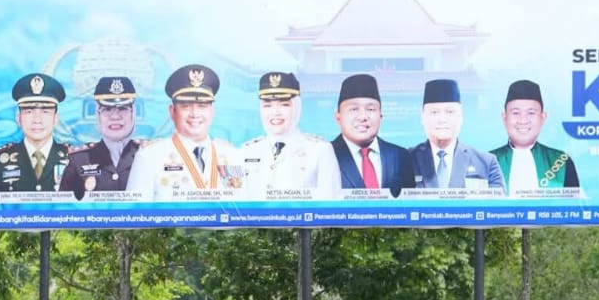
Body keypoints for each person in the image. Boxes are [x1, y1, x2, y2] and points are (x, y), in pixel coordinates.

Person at [128, 65, 240, 198]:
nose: (195, 114)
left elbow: (243, 207)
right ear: (172, 111)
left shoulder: (231, 155)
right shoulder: (149, 157)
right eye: (186, 106)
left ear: (212, 111)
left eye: (202, 106)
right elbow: (136, 215)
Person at [238, 72, 339, 201]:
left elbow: (331, 207)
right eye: (267, 105)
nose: (275, 112)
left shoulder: (320, 150)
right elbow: (236, 205)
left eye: (284, 105)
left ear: (297, 108)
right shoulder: (246, 151)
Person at [406, 79, 503, 193]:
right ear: (422, 116)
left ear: (461, 115)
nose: (442, 119)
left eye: (450, 112)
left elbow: (501, 209)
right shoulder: (404, 161)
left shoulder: (486, 163)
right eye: (434, 112)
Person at [0, 73, 70, 198]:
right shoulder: (0, 161)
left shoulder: (72, 159)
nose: (37, 120)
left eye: (45, 112)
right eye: (29, 111)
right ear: (19, 118)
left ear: (56, 118)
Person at [490, 79, 581, 196]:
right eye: (516, 113)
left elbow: (574, 209)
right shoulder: (487, 162)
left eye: (531, 113)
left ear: (543, 118)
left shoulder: (561, 161)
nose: (523, 120)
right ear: (504, 117)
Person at [59, 77, 142, 200]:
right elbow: (63, 211)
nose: (115, 116)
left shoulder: (147, 156)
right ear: (98, 114)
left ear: (133, 113)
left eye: (123, 108)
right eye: (107, 109)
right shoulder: (79, 160)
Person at [329, 74, 411, 197]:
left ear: (381, 116)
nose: (363, 117)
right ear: (338, 117)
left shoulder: (400, 156)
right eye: (353, 109)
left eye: (371, 109)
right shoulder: (326, 154)